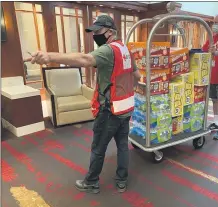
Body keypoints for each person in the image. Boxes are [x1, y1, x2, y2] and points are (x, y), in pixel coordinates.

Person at [25, 15, 141, 193]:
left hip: (109, 110)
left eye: (98, 31)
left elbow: (84, 59)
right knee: (123, 146)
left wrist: (48, 56)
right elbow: (137, 75)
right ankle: (121, 180)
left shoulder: (108, 50)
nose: (95, 35)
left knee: (98, 148)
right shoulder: (125, 49)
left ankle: (91, 182)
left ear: (110, 32)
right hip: (125, 108)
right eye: (93, 32)